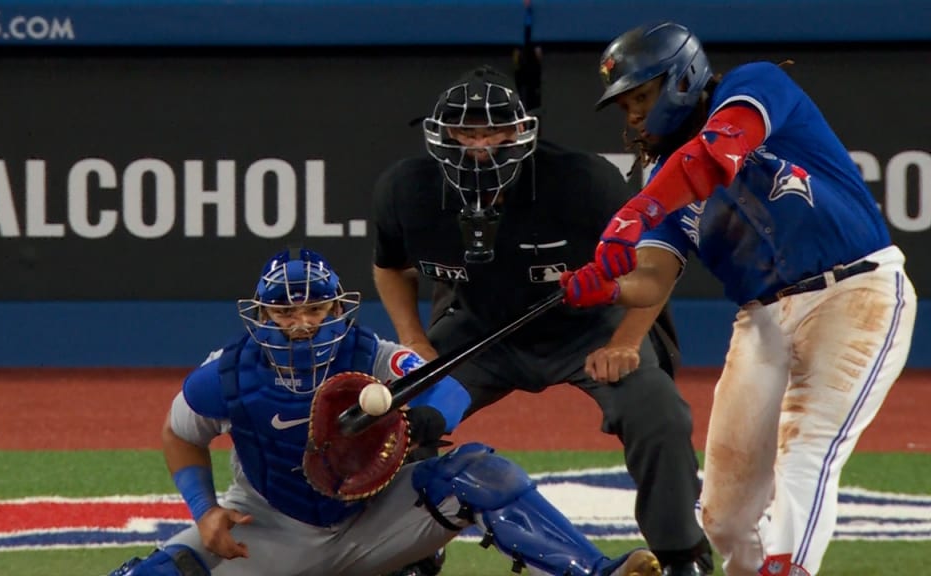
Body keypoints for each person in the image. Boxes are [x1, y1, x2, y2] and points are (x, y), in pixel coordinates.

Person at [562, 22, 917, 576]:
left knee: (808, 446)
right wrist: (606, 286)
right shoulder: (661, 176)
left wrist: (635, 213)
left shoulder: (754, 85)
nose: (631, 115)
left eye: (640, 97)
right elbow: (653, 277)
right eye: (624, 104)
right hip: (763, 321)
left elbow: (713, 155)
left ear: (681, 81)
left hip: (854, 291)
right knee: (725, 517)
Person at [104, 247, 662, 576]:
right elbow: (179, 436)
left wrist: (429, 420)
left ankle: (595, 571)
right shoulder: (224, 375)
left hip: (374, 525)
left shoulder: (370, 354)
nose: (302, 324)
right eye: (285, 312)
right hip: (267, 532)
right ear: (262, 314)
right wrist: (204, 510)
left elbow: (450, 389)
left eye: (316, 309)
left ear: (336, 308)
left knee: (479, 470)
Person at [372, 65, 712, 576]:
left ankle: (681, 554)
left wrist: (626, 340)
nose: (480, 146)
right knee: (396, 410)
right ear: (441, 136)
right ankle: (414, 545)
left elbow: (655, 264)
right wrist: (413, 339)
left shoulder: (583, 180)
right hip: (479, 328)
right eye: (467, 132)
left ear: (520, 132)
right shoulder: (406, 189)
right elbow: (390, 268)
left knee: (657, 410)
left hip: (587, 324)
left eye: (494, 131)